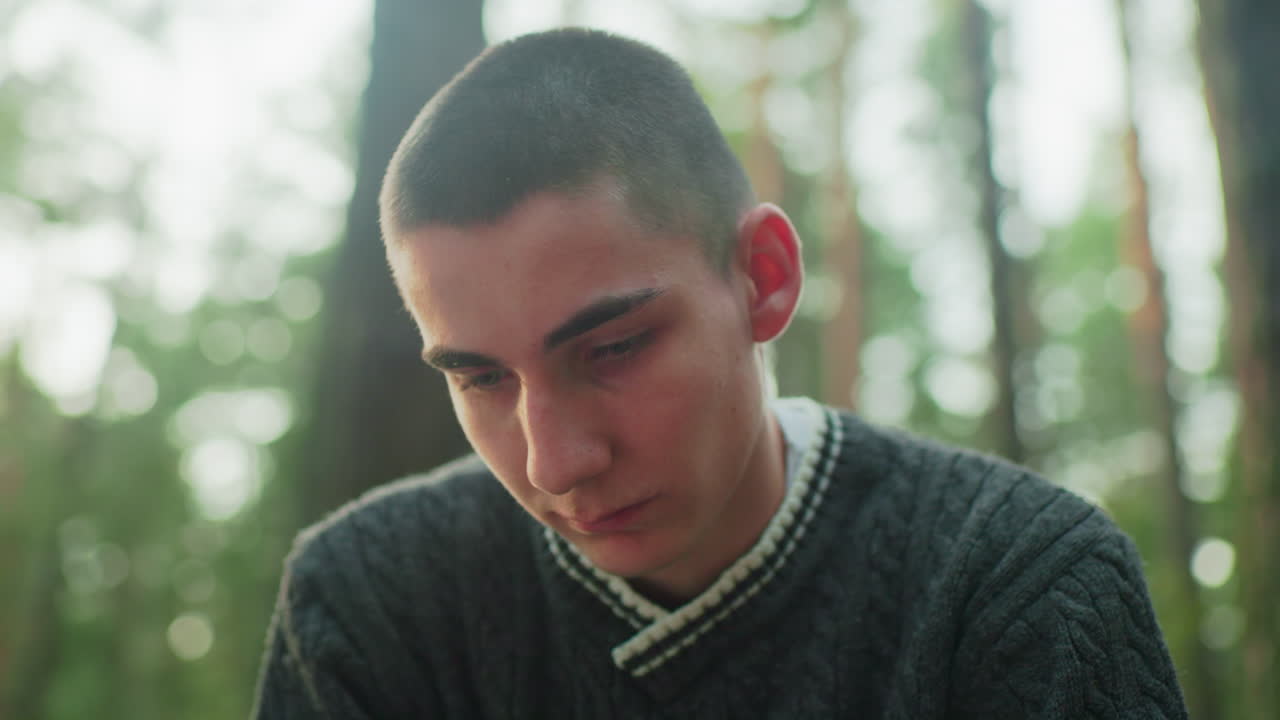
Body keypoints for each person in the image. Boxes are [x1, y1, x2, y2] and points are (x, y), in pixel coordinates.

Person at [253, 28, 1189, 718]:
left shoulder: (1018, 583)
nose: (554, 463)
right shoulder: (370, 600)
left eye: (611, 349)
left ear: (764, 279)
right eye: (482, 379)